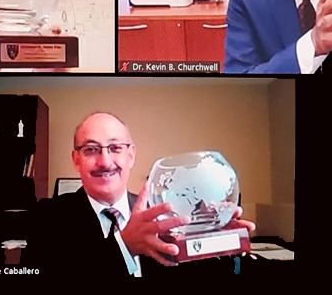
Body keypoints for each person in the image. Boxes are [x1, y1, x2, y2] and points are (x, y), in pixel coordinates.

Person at [22, 112, 255, 275]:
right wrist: (123, 246)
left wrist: (218, 245)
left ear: (131, 156)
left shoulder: (159, 215)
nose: (105, 161)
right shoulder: (45, 217)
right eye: (91, 150)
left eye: (115, 148)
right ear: (76, 160)